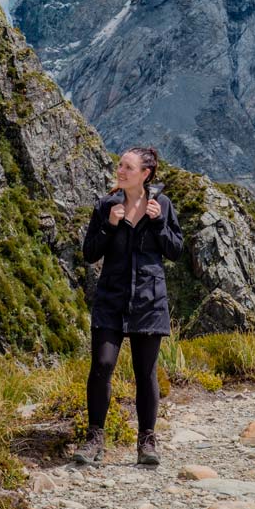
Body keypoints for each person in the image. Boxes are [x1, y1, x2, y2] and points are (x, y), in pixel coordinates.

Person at [73, 146, 183, 466]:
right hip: (111, 300)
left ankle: (146, 441)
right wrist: (109, 225)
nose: (120, 171)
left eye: (127, 167)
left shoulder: (161, 205)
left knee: (145, 372)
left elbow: (175, 250)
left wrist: (159, 222)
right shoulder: (106, 205)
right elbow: (90, 252)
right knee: (102, 366)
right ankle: (95, 438)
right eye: (120, 165)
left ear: (145, 174)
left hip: (149, 301)